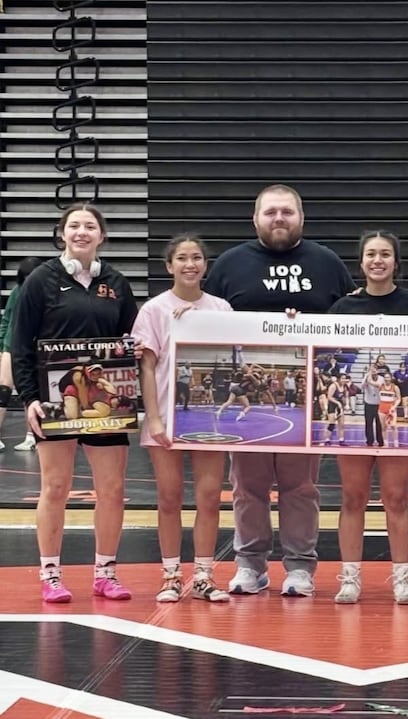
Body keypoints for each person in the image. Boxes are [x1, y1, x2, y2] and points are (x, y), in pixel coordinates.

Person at [203, 183, 355, 596]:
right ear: (256, 219)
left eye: (287, 211)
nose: (279, 219)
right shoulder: (230, 265)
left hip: (308, 400)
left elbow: (351, 321)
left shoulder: (327, 264)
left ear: (301, 217)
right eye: (270, 212)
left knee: (300, 487)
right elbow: (204, 319)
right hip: (249, 391)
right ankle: (250, 565)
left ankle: (300, 567)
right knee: (246, 486)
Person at [11, 203, 139, 602]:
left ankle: (105, 573)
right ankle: (50, 574)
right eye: (74, 226)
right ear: (62, 233)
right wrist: (29, 399)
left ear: (102, 235)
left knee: (112, 488)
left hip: (105, 402)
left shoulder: (116, 282)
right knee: (55, 486)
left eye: (89, 226)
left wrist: (132, 369)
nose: (81, 232)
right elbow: (20, 344)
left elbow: (130, 339)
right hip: (55, 400)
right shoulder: (40, 281)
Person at [328, 229, 408, 604]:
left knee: (396, 497)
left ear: (396, 262)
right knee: (352, 497)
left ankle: (403, 579)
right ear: (361, 262)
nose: (377, 260)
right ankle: (349, 578)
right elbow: (321, 348)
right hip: (358, 413)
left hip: (392, 412)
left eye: (385, 254)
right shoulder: (343, 308)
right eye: (371, 254)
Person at [132, 234, 233, 603]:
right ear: (169, 265)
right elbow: (146, 367)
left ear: (205, 264)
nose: (190, 264)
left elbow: (236, 348)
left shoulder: (221, 309)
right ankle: (171, 575)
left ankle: (203, 576)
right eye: (182, 258)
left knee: (209, 497)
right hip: (166, 417)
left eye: (196, 258)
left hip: (208, 421)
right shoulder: (154, 310)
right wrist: (154, 418)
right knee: (169, 497)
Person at [0, 257, 42, 451]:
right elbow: (6, 319)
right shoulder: (17, 292)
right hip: (11, 345)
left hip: (34, 347)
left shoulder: (45, 292)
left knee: (30, 391)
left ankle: (31, 436)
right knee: (3, 390)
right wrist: (2, 346)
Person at [362, 364, 384, 447]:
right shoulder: (366, 378)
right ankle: (369, 441)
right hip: (369, 403)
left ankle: (380, 441)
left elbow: (379, 386)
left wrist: (370, 381)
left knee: (379, 424)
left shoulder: (381, 379)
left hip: (379, 404)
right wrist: (366, 377)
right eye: (371, 370)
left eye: (374, 370)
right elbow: (362, 387)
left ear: (377, 370)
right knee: (368, 423)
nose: (373, 371)